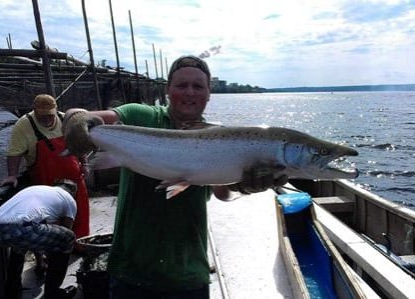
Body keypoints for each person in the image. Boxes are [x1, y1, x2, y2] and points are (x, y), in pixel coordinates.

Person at [63, 55, 288, 299]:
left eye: (198, 86)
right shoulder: (141, 116)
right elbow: (79, 115)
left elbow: (224, 192)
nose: (190, 92)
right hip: (130, 270)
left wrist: (245, 186)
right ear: (168, 90)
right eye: (182, 85)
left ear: (209, 93)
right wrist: (77, 119)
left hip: (189, 274)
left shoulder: (220, 137)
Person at [0, 94, 90, 244]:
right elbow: (14, 153)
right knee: (50, 218)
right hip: (45, 180)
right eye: (42, 116)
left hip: (74, 178)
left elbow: (79, 144)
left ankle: (81, 243)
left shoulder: (66, 120)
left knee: (80, 212)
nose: (47, 119)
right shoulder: (23, 125)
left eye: (50, 115)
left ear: (56, 110)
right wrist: (12, 175)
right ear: (34, 111)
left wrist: (84, 163)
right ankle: (59, 247)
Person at [0, 180, 78, 299]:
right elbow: (63, 233)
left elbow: (40, 234)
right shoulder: (68, 199)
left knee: (19, 245)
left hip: (0, 228)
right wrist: (50, 259)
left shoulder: (37, 189)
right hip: (23, 227)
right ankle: (53, 293)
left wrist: (40, 261)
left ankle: (12, 290)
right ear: (73, 193)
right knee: (68, 238)